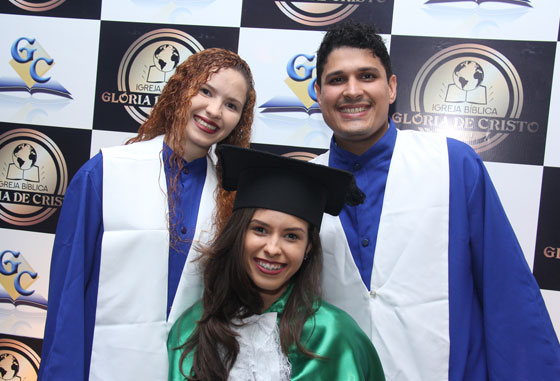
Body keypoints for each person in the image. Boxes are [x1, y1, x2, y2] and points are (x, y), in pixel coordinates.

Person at [312, 20, 560, 380]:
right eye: (337, 80)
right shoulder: (303, 183)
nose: (352, 91)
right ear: (318, 92)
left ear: (392, 87)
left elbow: (507, 294)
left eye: (367, 76)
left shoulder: (453, 163)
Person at [39, 48, 256, 380]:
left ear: (240, 119)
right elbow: (68, 293)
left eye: (231, 105)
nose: (214, 110)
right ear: (181, 89)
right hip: (100, 363)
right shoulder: (106, 172)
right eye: (206, 91)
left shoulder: (229, 199)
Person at [167, 145, 384, 381]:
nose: (272, 249)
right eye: (260, 230)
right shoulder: (191, 329)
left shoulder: (336, 336)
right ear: (238, 235)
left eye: (291, 236)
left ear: (308, 247)